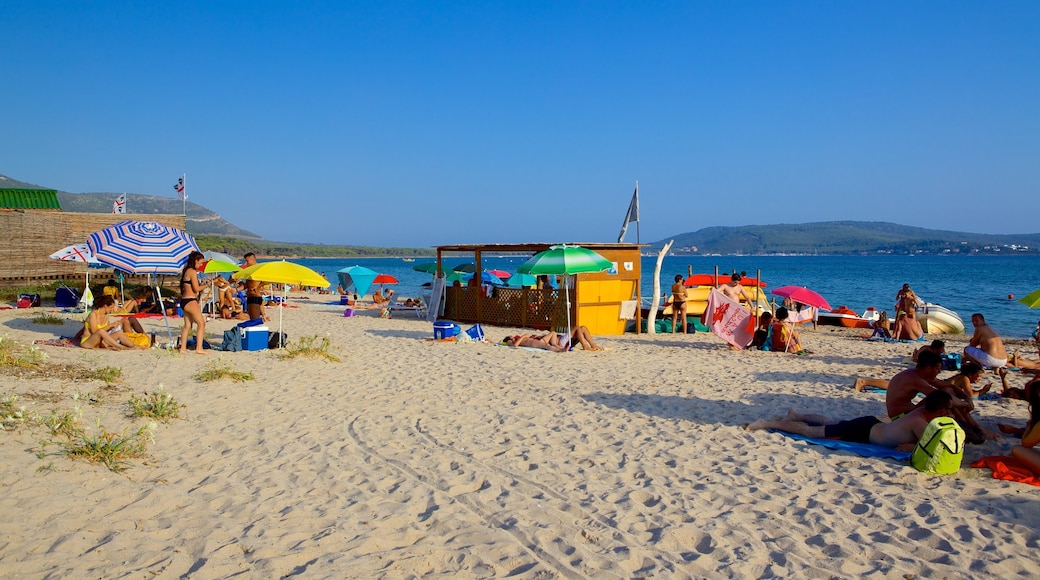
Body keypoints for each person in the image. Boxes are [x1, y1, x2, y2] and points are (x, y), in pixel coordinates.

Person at [746, 390, 954, 451]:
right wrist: (911, 446)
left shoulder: (924, 413)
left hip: (871, 424)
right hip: (864, 432)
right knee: (814, 432)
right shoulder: (920, 421)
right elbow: (926, 448)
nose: (949, 414)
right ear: (941, 409)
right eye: (948, 411)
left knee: (831, 422)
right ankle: (766, 423)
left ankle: (797, 415)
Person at [80, 295, 144, 350]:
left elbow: (106, 331)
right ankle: (120, 347)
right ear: (105, 306)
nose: (112, 309)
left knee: (119, 332)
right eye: (111, 307)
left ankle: (133, 346)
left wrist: (114, 326)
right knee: (101, 331)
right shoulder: (93, 314)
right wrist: (110, 326)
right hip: (88, 342)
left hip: (100, 342)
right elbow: (95, 332)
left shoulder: (106, 315)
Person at [178, 251, 210, 354]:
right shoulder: (192, 271)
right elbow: (196, 289)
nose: (201, 265)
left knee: (187, 326)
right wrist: (207, 285)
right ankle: (199, 348)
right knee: (201, 324)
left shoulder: (186, 271)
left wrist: (203, 284)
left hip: (184, 301)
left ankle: (183, 348)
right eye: (200, 262)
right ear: (195, 260)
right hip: (190, 301)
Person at [243, 252, 270, 321]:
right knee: (253, 318)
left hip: (255, 296)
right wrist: (236, 289)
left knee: (254, 320)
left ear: (253, 260)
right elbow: (247, 284)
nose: (245, 263)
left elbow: (268, 280)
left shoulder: (259, 269)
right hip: (250, 296)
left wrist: (258, 287)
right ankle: (264, 316)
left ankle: (264, 318)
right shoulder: (250, 271)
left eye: (247, 261)